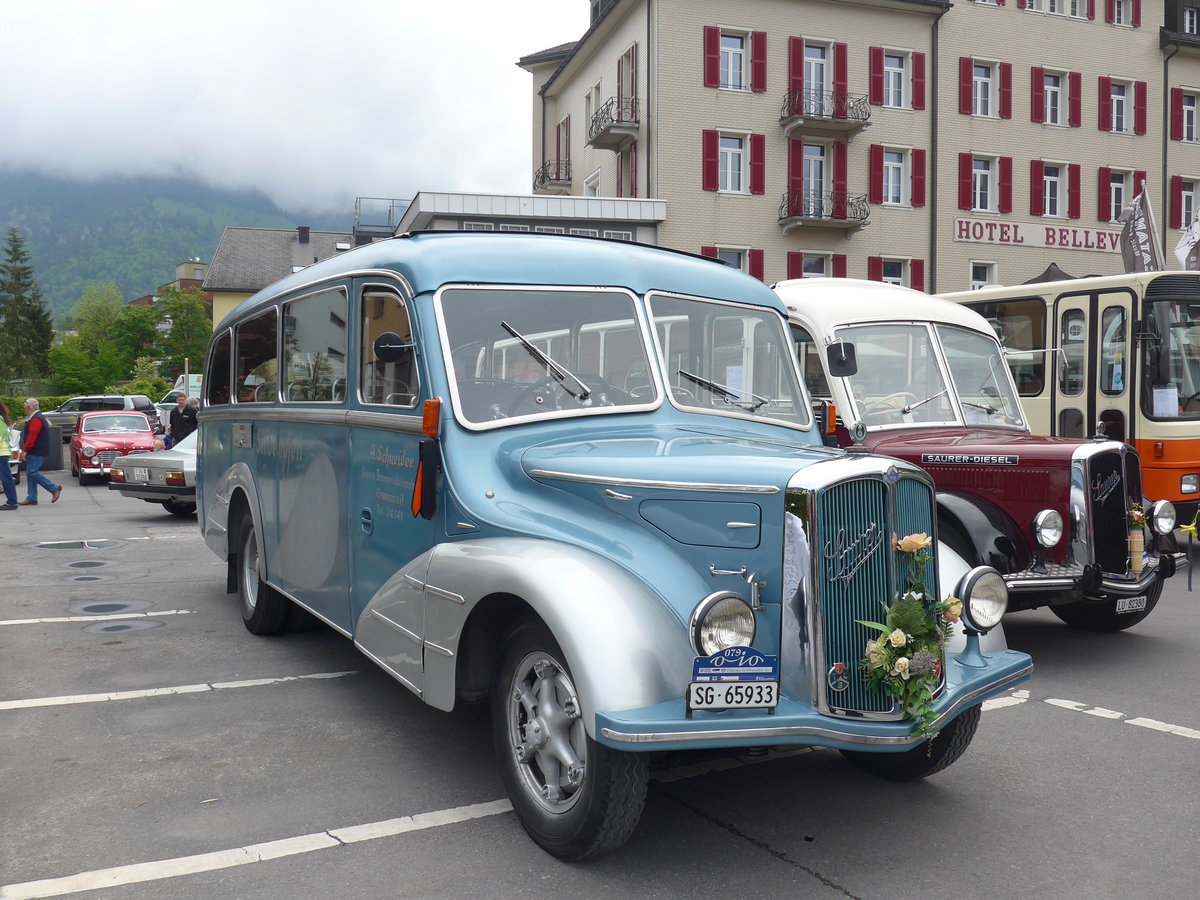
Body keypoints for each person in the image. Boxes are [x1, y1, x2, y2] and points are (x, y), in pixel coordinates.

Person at [18, 398, 62, 505]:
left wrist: (25, 450)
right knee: (30, 473)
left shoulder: (36, 419)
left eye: (25, 407)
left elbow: (32, 436)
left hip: (36, 450)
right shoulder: (38, 417)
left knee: (32, 472)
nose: (24, 409)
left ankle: (54, 488)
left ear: (29, 408)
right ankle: (32, 497)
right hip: (38, 450)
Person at [0, 400, 18, 510]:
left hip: (1, 454)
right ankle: (12, 501)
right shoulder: (2, 420)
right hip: (2, 453)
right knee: (6, 477)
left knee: (6, 478)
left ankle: (12, 502)